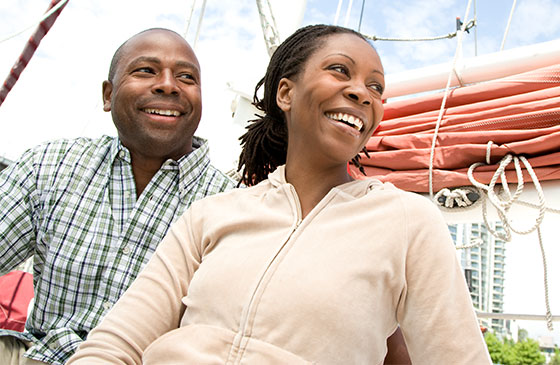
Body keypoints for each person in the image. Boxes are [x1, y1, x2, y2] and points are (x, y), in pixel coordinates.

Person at [68, 24, 492, 364]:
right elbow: (117, 343)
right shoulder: (210, 214)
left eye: (376, 87)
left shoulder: (408, 222)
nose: (362, 93)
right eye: (341, 71)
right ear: (285, 93)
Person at [0, 28, 235, 365]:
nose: (168, 84)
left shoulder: (230, 207)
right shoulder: (51, 166)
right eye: (146, 71)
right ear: (108, 95)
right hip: (36, 355)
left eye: (186, 77)